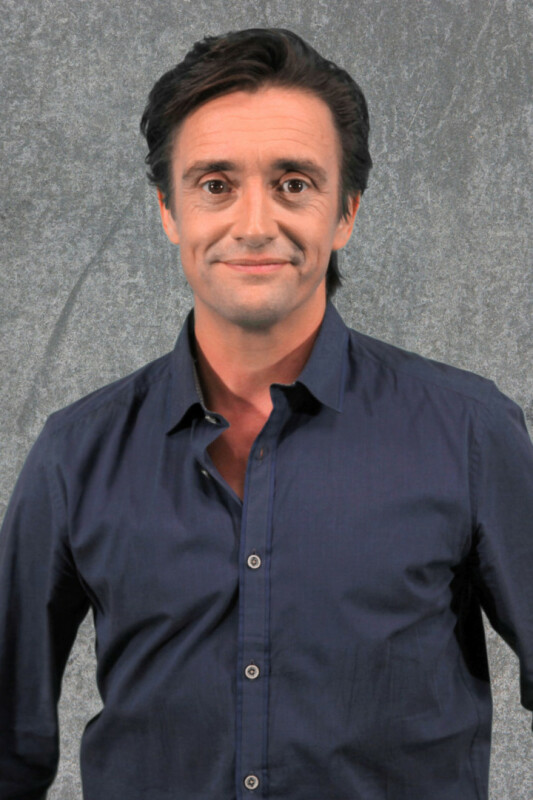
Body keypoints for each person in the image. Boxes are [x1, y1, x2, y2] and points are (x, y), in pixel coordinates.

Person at [0, 26, 531, 800]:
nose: (254, 223)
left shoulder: (468, 432)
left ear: (344, 212)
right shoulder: (73, 455)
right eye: (215, 184)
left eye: (293, 183)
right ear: (169, 211)